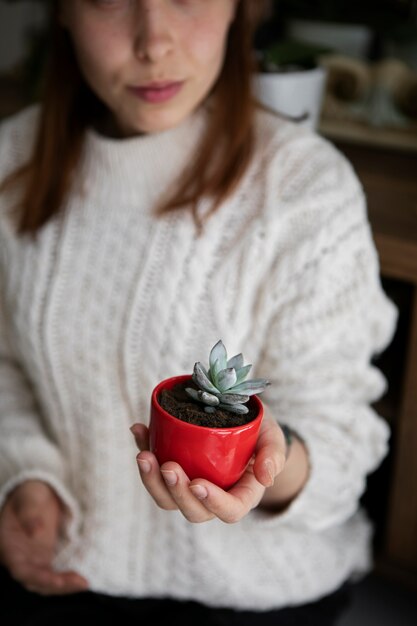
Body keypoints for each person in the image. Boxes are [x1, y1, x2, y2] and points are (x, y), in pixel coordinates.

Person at [0, 1, 397, 624]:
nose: (154, 42)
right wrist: (26, 475)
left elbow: (342, 439)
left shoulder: (306, 188)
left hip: (257, 592)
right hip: (64, 564)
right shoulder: (10, 160)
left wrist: (271, 461)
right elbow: (5, 363)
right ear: (63, 13)